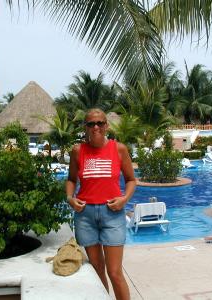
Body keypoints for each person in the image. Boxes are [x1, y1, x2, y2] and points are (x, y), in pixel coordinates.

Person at [66, 108, 136, 300]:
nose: (95, 127)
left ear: (106, 125)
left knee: (115, 272)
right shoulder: (77, 151)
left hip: (112, 214)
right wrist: (70, 198)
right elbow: (71, 179)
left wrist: (124, 199)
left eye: (100, 123)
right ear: (85, 127)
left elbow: (131, 180)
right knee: (98, 270)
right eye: (91, 124)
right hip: (85, 216)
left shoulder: (119, 149)